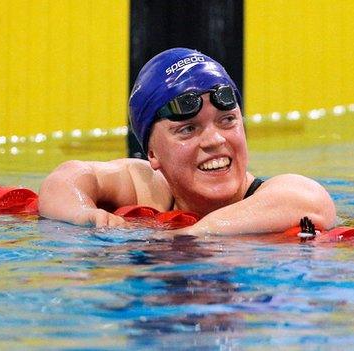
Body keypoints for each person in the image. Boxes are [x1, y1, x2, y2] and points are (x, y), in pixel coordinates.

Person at [38, 48, 336, 236]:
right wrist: (84, 214)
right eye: (188, 129)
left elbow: (313, 201)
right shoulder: (149, 187)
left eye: (227, 120)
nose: (215, 140)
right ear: (152, 154)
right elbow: (65, 178)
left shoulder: (271, 194)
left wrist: (193, 232)